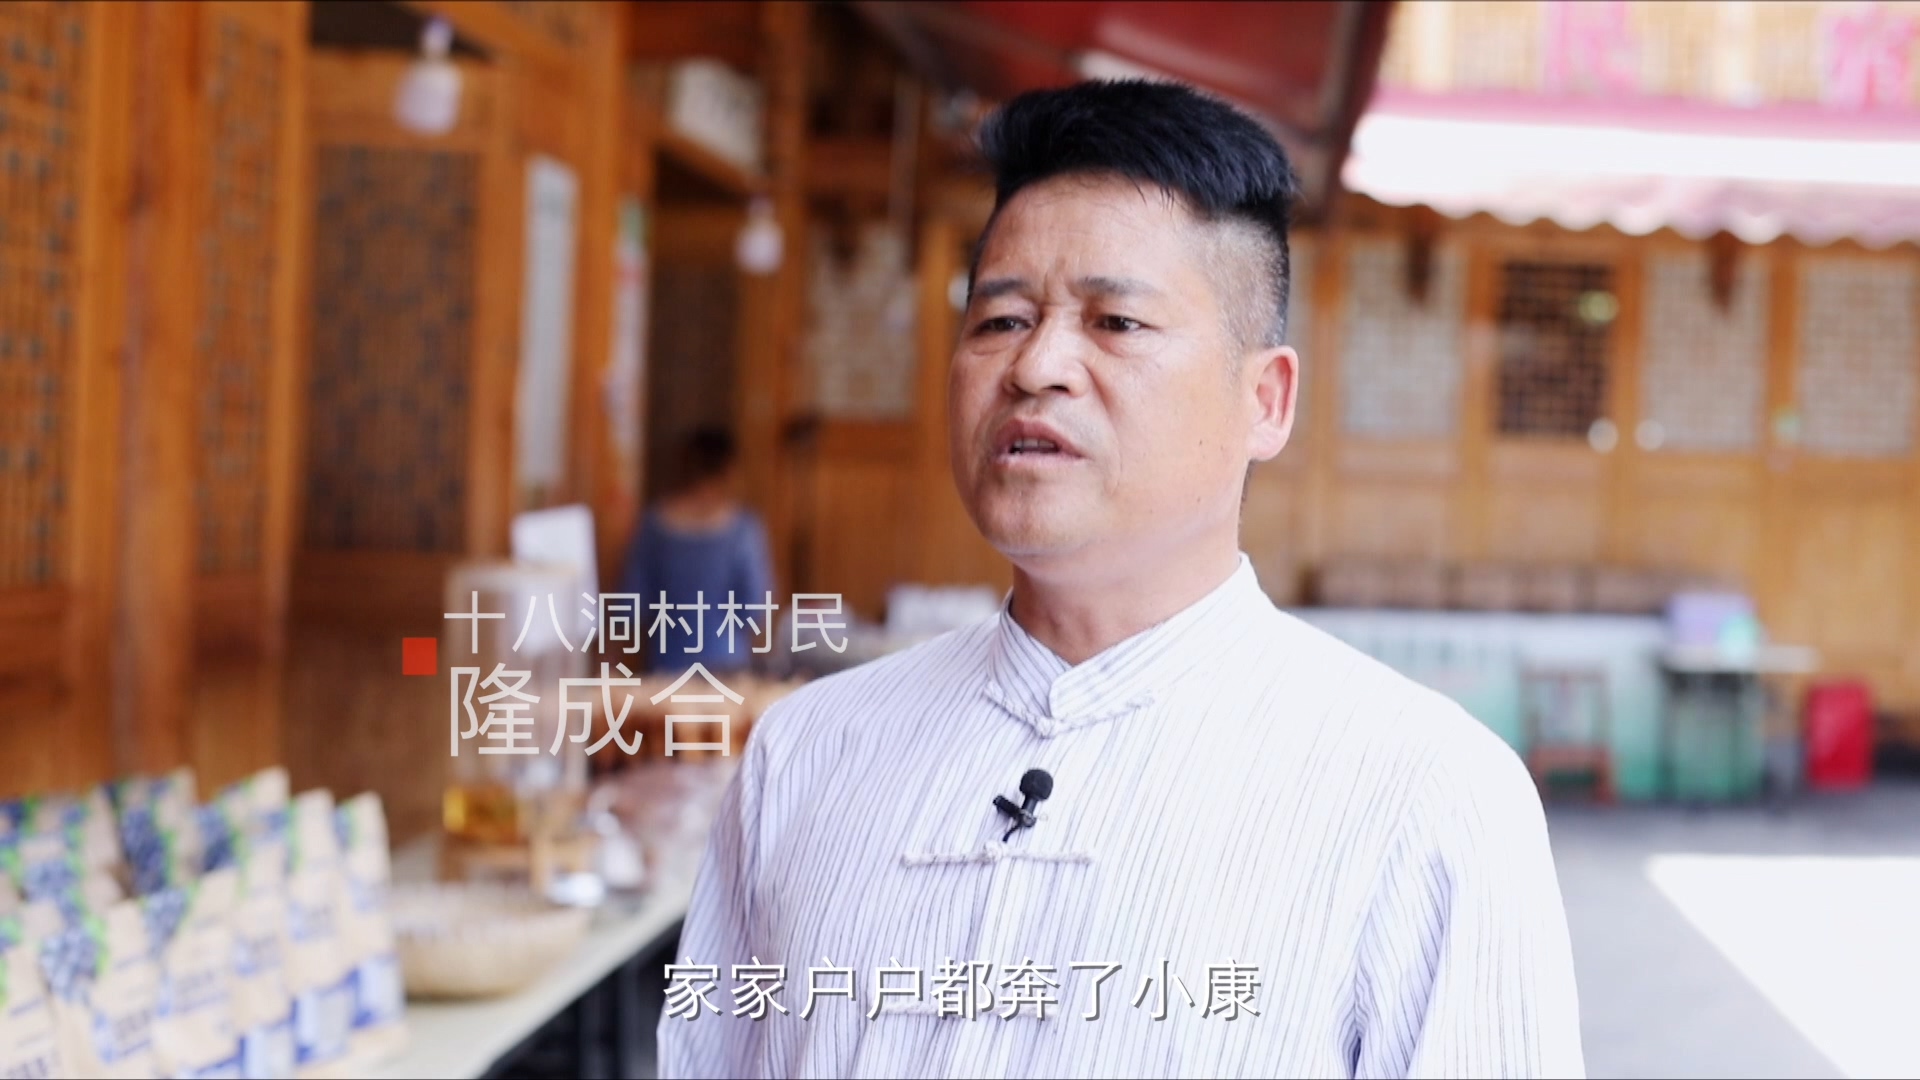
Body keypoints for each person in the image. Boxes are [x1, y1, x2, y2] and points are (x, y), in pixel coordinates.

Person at [659, 80, 1584, 1079]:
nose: (1037, 366)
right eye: (1000, 319)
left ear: (1265, 400)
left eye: (1117, 322)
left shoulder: (1424, 795)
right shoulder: (805, 753)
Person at [619, 426, 775, 674]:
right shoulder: (743, 530)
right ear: (729, 471)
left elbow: (632, 603)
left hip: (667, 663)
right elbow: (754, 607)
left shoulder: (653, 526)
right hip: (727, 665)